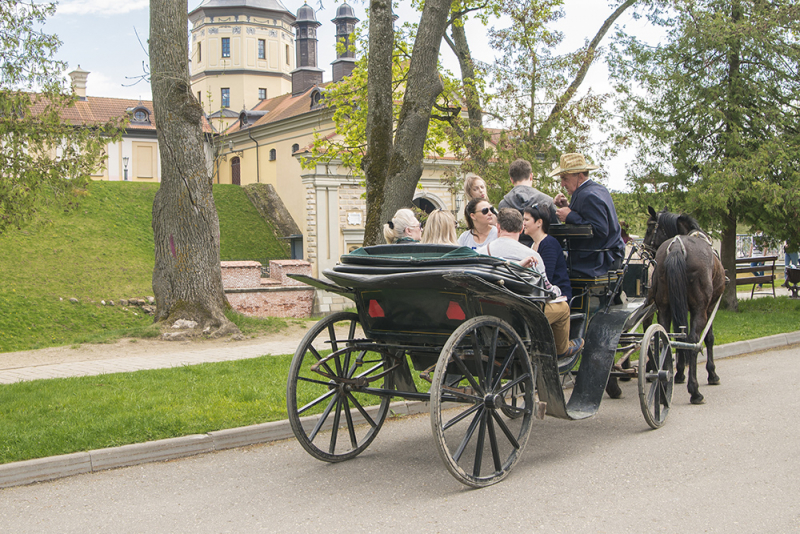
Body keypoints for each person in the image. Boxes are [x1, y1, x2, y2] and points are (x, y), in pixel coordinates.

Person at [477, 208, 583, 360]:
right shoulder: (532, 256)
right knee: (563, 308)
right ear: (521, 229)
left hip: (488, 311)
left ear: (498, 227)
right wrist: (558, 291)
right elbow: (546, 290)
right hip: (522, 315)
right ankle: (561, 350)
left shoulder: (481, 253)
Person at [551, 153, 625, 278]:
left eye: (565, 179)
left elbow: (600, 230)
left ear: (579, 176)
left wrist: (570, 216)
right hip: (609, 256)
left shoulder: (587, 195)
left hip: (599, 261)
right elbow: (589, 216)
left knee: (552, 269)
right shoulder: (597, 189)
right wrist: (567, 206)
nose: (562, 184)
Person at [499, 158, 559, 246]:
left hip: (513, 250)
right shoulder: (547, 201)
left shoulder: (503, 205)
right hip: (542, 249)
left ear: (511, 179)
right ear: (531, 176)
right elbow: (557, 229)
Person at [523, 205, 572, 302]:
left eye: (526, 220)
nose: (523, 223)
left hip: (557, 296)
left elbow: (546, 277)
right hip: (538, 293)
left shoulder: (549, 244)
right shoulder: (531, 245)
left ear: (539, 222)